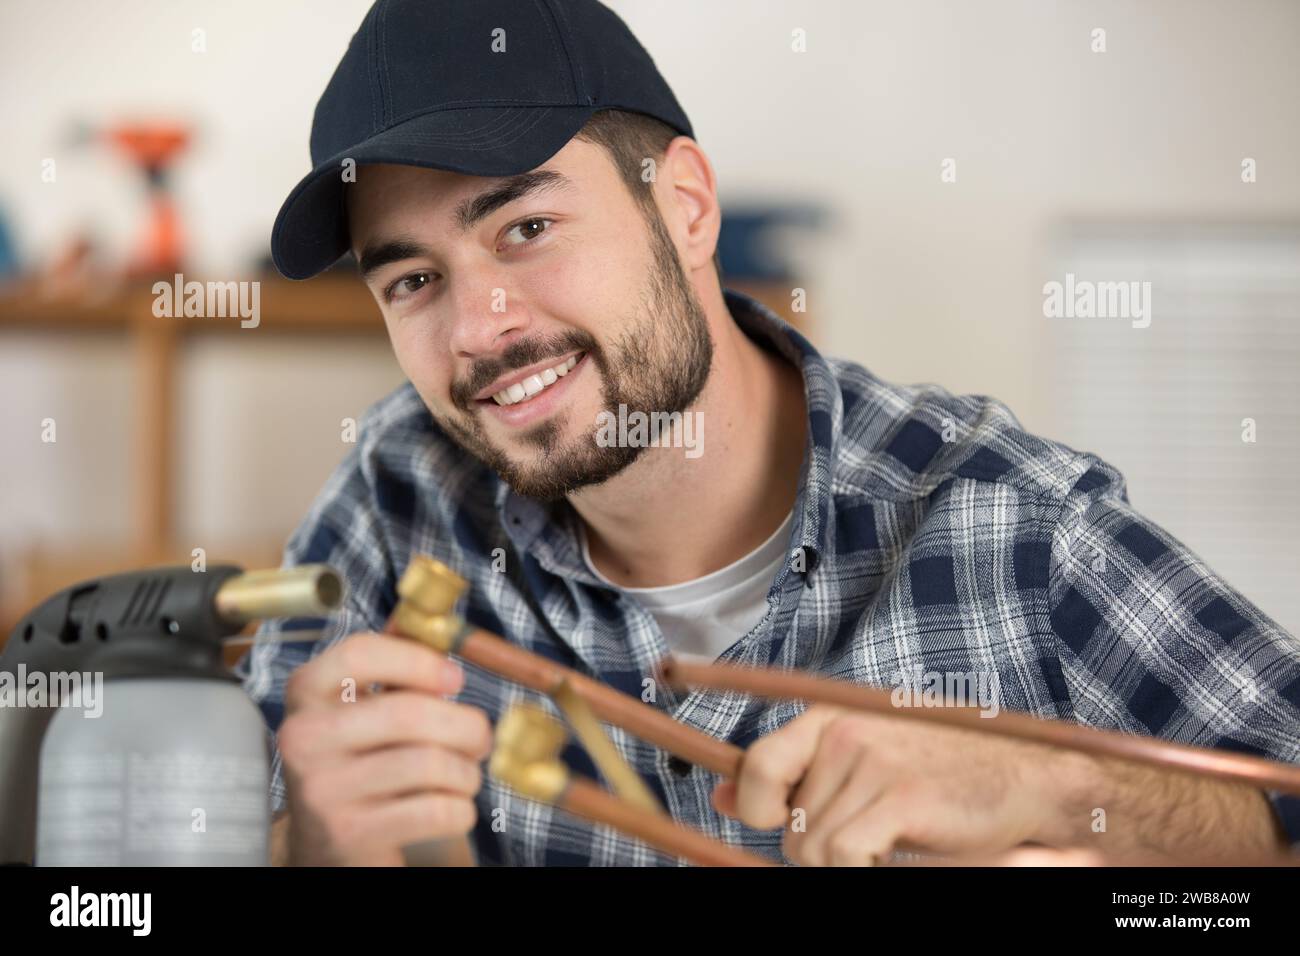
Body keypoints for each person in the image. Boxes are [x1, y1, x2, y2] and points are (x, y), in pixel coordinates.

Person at [239, 0, 1300, 866]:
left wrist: (1063, 787)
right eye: (414, 279)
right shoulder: (396, 493)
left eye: (526, 228)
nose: (478, 330)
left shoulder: (1008, 521)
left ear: (688, 206)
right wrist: (315, 847)